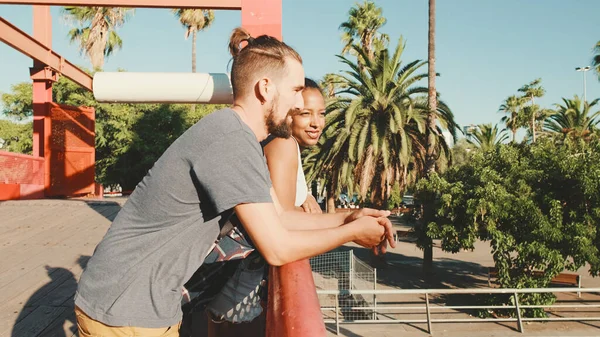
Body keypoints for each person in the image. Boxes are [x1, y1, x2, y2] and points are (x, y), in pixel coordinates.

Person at [74, 27, 395, 337]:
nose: (300, 104)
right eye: (296, 90)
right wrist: (351, 233)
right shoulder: (231, 141)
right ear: (266, 88)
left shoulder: (239, 138)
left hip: (134, 304)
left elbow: (279, 217)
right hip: (126, 311)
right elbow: (277, 248)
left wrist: (349, 216)